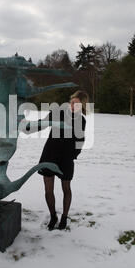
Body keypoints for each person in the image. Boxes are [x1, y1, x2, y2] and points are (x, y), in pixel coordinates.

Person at [36, 90, 89, 230]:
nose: (73, 106)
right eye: (73, 102)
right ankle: (53, 216)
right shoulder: (57, 112)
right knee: (48, 190)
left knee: (66, 188)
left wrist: (73, 155)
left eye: (77, 105)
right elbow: (42, 123)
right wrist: (26, 126)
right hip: (49, 154)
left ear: (82, 106)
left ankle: (64, 217)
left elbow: (81, 141)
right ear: (70, 100)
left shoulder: (81, 120)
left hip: (66, 158)